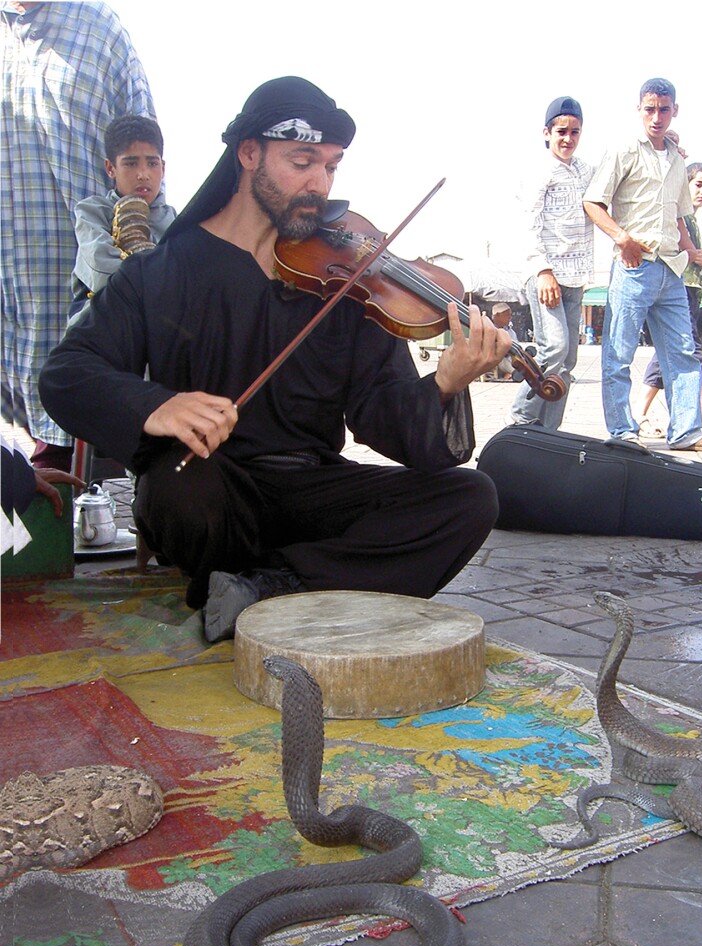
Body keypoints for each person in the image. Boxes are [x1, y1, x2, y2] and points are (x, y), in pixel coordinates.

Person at [39, 76, 508, 642]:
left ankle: (267, 589)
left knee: (468, 499)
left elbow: (382, 414)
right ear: (249, 154)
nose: (320, 184)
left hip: (311, 489)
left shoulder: (345, 277)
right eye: (303, 162)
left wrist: (445, 384)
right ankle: (308, 583)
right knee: (176, 487)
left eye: (331, 167)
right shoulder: (162, 271)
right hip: (213, 492)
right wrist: (158, 406)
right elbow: (67, 373)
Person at [1, 1, 156, 472]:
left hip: (82, 297)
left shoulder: (100, 30)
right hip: (10, 297)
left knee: (98, 470)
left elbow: (145, 157)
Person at [583, 78, 702, 452]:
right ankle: (622, 431)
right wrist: (621, 237)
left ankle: (686, 431)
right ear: (639, 110)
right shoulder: (625, 151)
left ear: (675, 110)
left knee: (682, 352)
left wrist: (693, 251)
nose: (657, 117)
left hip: (672, 270)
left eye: (664, 109)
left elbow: (680, 216)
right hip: (634, 266)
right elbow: (593, 202)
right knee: (618, 352)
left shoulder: (678, 160)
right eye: (650, 109)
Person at [634, 162, 702, 441]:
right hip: (677, 289)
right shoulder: (678, 214)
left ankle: (639, 413)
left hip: (688, 290)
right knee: (691, 353)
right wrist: (696, 255)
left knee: (669, 353)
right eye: (698, 184)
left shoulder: (691, 218)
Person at [509, 96, 594, 431]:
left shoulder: (587, 171)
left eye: (574, 131)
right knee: (554, 348)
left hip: (576, 277)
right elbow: (527, 223)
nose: (567, 138)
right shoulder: (538, 172)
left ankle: (547, 434)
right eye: (561, 131)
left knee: (567, 361)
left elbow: (616, 183)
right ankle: (519, 419)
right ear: (547, 133)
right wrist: (542, 271)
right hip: (546, 275)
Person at [69, 115, 177, 321]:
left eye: (152, 163)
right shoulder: (92, 212)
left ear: (162, 168)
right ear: (111, 168)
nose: (143, 174)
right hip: (99, 329)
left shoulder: (174, 220)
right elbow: (104, 269)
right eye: (131, 163)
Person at [488, 302, 517, 380]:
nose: (510, 318)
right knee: (502, 359)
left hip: (513, 357)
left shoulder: (510, 331)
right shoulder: (490, 329)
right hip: (499, 359)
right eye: (507, 315)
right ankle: (515, 373)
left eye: (510, 315)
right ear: (497, 316)